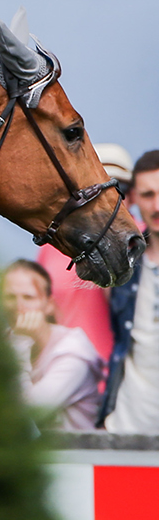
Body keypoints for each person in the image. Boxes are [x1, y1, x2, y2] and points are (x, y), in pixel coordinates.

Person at [35, 143, 134, 363]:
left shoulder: (144, 244)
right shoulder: (54, 246)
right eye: (95, 190)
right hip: (60, 378)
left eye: (119, 188)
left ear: (134, 195)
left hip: (121, 383)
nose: (108, 200)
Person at [2, 259, 103, 430]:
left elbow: (30, 413)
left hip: (77, 453)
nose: (19, 307)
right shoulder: (2, 342)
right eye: (10, 297)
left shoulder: (72, 352)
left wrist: (20, 343)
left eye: (29, 297)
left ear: (48, 304)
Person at [101, 150, 159, 432]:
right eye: (148, 195)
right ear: (135, 198)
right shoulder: (125, 260)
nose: (157, 205)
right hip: (128, 422)